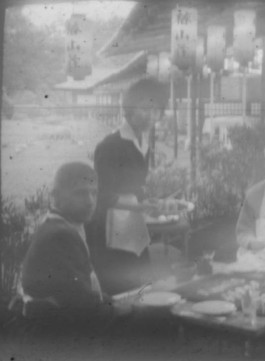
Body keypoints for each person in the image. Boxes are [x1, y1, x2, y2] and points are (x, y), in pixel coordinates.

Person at [86, 77, 168, 295]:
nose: (152, 116)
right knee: (121, 294)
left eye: (157, 110)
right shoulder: (110, 145)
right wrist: (141, 207)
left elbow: (134, 187)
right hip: (107, 230)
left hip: (131, 225)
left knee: (142, 289)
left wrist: (146, 201)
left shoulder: (143, 141)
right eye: (145, 108)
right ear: (130, 108)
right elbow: (101, 196)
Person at [21, 162, 113, 330]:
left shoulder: (58, 224)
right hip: (61, 335)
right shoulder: (60, 235)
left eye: (94, 193)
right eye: (80, 193)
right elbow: (81, 305)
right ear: (55, 196)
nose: (90, 201)